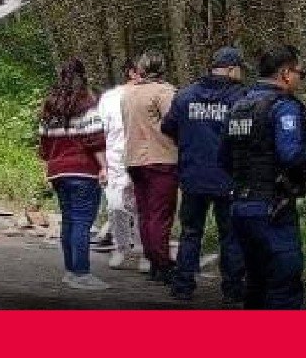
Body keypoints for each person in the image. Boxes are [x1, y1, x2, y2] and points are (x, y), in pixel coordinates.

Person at [222, 45, 306, 309]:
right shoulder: (284, 108)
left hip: (240, 205)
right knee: (284, 283)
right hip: (273, 208)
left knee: (256, 284)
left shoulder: (239, 106)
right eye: (299, 73)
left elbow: (223, 158)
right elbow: (292, 156)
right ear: (285, 73)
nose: (300, 79)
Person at [161, 46, 248, 303]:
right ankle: (233, 291)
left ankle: (183, 286)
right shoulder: (240, 98)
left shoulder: (185, 95)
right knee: (230, 235)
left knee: (190, 232)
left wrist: (188, 141)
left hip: (193, 175)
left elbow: (168, 126)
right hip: (228, 177)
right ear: (232, 69)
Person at [37, 58, 110, 290]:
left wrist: (47, 170)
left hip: (58, 171)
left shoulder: (49, 107)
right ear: (83, 76)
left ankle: (70, 270)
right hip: (83, 172)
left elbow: (44, 143)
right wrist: (104, 167)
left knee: (68, 220)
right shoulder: (86, 103)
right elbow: (95, 139)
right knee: (81, 222)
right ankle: (81, 273)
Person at [122, 50, 179, 283]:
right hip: (160, 157)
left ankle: (153, 259)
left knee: (145, 213)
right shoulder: (164, 92)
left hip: (134, 158)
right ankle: (163, 263)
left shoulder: (128, 93)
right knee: (161, 214)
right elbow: (173, 123)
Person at [96, 59, 145, 271]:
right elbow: (100, 132)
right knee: (116, 206)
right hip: (115, 160)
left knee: (143, 208)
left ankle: (145, 251)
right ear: (132, 73)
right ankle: (121, 247)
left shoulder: (153, 95)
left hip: (143, 158)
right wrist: (102, 165)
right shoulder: (109, 98)